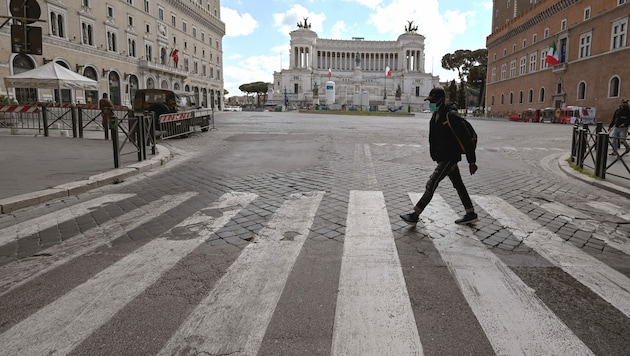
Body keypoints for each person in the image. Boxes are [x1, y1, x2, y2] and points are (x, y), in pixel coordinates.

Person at [400, 87, 479, 226]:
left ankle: (415, 214)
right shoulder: (437, 114)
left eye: (433, 101)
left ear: (441, 100)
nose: (430, 103)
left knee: (432, 184)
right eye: (430, 100)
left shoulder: (451, 116)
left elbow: (466, 139)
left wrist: (471, 161)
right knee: (459, 185)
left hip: (449, 157)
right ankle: (470, 212)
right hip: (444, 157)